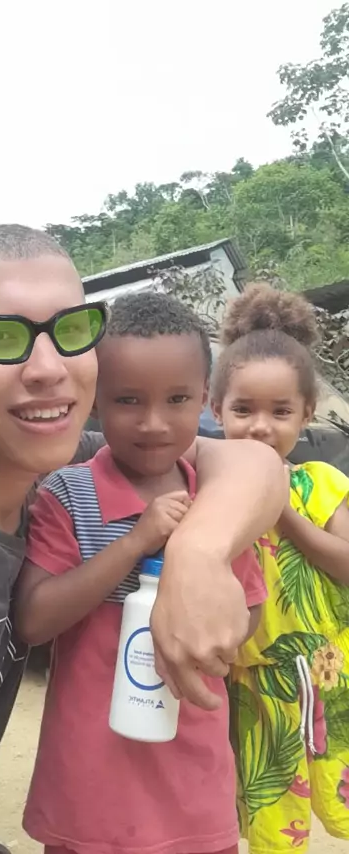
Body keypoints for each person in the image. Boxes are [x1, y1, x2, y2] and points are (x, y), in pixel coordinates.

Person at [0, 224, 284, 852]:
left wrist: (197, 555)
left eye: (70, 330)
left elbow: (255, 465)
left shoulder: (71, 460)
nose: (48, 369)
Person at [17, 291, 268, 854]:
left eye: (177, 399)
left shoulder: (218, 504)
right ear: (95, 401)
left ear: (204, 401)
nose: (153, 423)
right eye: (128, 400)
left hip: (192, 782)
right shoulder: (69, 496)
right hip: (90, 784)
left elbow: (249, 612)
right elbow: (33, 620)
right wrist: (135, 543)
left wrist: (204, 608)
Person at [211, 283, 349, 853]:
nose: (260, 427)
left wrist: (283, 512)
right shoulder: (208, 488)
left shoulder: (322, 483)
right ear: (216, 410)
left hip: (330, 674)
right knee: (274, 827)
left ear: (307, 414)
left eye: (281, 411)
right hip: (252, 685)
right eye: (243, 410)